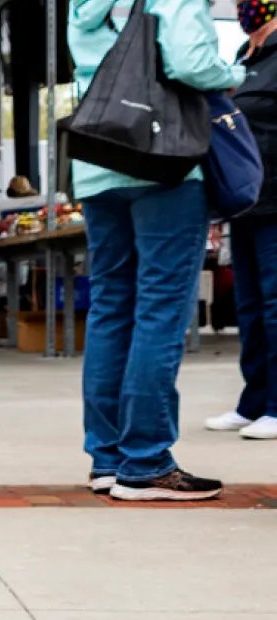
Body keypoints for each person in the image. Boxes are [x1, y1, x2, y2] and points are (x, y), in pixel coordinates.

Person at [68, 0, 243, 500]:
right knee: (160, 310)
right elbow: (191, 62)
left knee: (110, 308)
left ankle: (107, 458)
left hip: (99, 161)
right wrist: (233, 70)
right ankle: (145, 462)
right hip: (164, 161)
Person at [205, 0, 277, 440]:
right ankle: (252, 402)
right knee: (248, 308)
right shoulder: (241, 60)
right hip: (246, 204)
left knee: (275, 305)